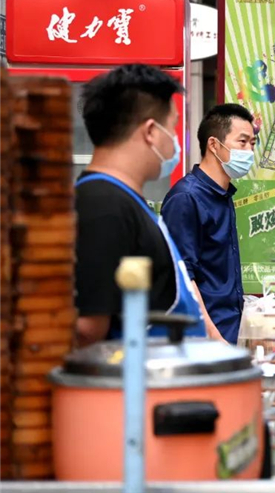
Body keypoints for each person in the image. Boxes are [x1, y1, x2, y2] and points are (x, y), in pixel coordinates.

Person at [75, 64, 204, 347]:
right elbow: (87, 329)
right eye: (172, 127)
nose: (175, 141)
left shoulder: (124, 200)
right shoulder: (103, 205)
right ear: (151, 132)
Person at [161, 104, 256, 343]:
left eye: (253, 143)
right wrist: (215, 339)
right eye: (242, 142)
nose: (250, 151)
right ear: (214, 144)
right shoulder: (186, 197)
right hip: (202, 340)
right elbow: (182, 277)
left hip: (229, 331)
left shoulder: (223, 194)